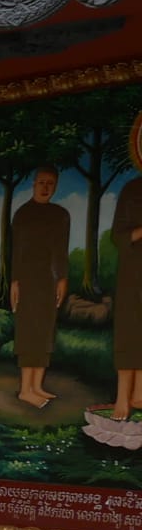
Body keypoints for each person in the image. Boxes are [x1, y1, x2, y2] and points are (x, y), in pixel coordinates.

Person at [10, 165, 69, 409]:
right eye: (42, 182)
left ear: (55, 187)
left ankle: (37, 386)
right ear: (33, 184)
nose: (46, 187)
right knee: (29, 332)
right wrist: (14, 282)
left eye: (51, 184)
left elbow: (61, 250)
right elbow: (16, 251)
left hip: (48, 279)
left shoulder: (60, 214)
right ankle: (25, 389)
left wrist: (62, 279)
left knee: (45, 331)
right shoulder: (23, 214)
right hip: (26, 280)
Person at [114, 173, 142, 421]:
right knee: (129, 331)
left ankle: (140, 393)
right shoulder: (132, 189)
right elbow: (118, 236)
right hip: (133, 273)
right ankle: (123, 396)